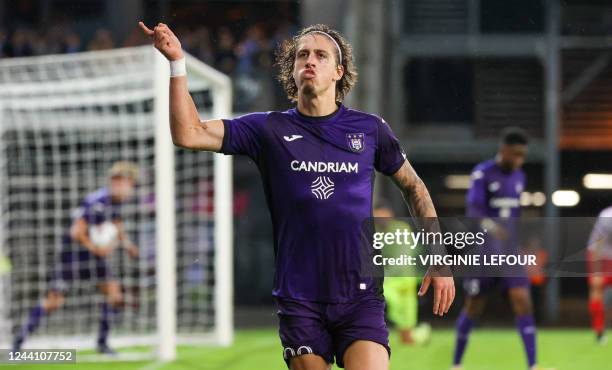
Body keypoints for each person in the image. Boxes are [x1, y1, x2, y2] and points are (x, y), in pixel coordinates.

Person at [139, 21, 454, 370]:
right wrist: (177, 62)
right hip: (299, 298)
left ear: (338, 71)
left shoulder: (370, 130)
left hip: (360, 295)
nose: (310, 60)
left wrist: (438, 257)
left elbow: (414, 186)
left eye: (320, 55)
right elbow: (188, 133)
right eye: (302, 54)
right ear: (292, 70)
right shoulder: (268, 129)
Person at [12, 161, 139, 354]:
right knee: (54, 302)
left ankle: (102, 344)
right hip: (73, 257)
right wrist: (96, 248)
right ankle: (18, 342)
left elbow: (116, 223)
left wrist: (127, 244)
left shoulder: (116, 202)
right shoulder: (96, 201)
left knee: (114, 294)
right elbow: (76, 232)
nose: (128, 189)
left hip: (94, 258)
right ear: (115, 181)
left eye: (130, 185)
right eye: (126, 184)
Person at [451, 127, 543, 370]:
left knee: (523, 301)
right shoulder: (483, 173)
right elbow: (474, 210)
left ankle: (533, 365)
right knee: (473, 306)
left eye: (523, 155)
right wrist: (492, 227)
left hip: (510, 253)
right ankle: (456, 363)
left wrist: (523, 241)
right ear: (503, 151)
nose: (519, 159)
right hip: (485, 252)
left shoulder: (519, 176)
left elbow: (516, 214)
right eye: (516, 154)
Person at [373, 202, 431, 346]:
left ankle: (423, 332)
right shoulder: (372, 231)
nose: (380, 219)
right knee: (380, 299)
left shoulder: (402, 230)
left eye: (383, 215)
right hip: (387, 280)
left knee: (406, 336)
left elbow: (400, 260)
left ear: (390, 215)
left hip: (404, 279)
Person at [586, 206, 612, 344]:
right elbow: (598, 244)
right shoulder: (608, 216)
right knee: (597, 288)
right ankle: (599, 330)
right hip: (600, 255)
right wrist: (596, 272)